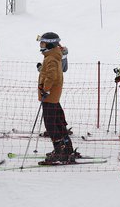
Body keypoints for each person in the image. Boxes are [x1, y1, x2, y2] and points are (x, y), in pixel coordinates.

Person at [37, 32, 77, 164]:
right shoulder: (52, 56)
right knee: (57, 121)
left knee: (50, 123)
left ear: (49, 44)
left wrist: (45, 90)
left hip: (49, 95)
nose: (41, 45)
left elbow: (52, 76)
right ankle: (66, 148)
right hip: (52, 95)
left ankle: (60, 150)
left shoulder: (51, 58)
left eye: (42, 43)